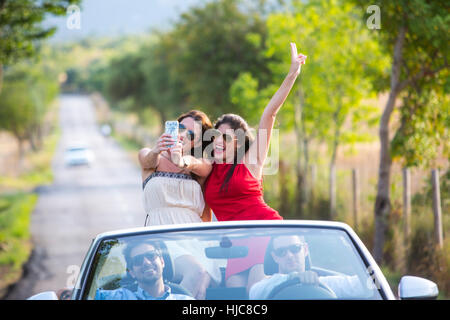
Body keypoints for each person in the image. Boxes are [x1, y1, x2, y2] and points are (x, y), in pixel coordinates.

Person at [203, 43, 307, 292]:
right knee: (234, 292)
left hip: (268, 235)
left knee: (257, 290)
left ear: (238, 142)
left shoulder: (250, 161)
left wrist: (291, 73)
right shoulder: (207, 169)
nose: (219, 141)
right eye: (216, 136)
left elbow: (269, 114)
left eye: (226, 138)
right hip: (237, 247)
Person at [137, 110, 220, 299]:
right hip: (161, 235)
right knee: (197, 273)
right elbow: (147, 159)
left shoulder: (200, 164)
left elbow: (195, 165)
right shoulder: (151, 157)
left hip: (195, 237)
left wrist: (181, 160)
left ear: (197, 143)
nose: (183, 135)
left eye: (191, 135)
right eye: (181, 128)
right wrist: (158, 149)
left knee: (203, 282)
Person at [249, 235, 364, 299]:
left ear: (305, 250)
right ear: (275, 257)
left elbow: (368, 285)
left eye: (295, 248)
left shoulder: (325, 283)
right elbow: (254, 293)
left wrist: (355, 252)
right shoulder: (265, 287)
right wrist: (295, 277)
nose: (289, 255)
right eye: (281, 251)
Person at [95, 240, 194, 300]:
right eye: (138, 260)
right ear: (131, 272)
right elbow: (86, 292)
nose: (146, 263)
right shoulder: (116, 297)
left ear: (162, 262)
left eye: (151, 255)